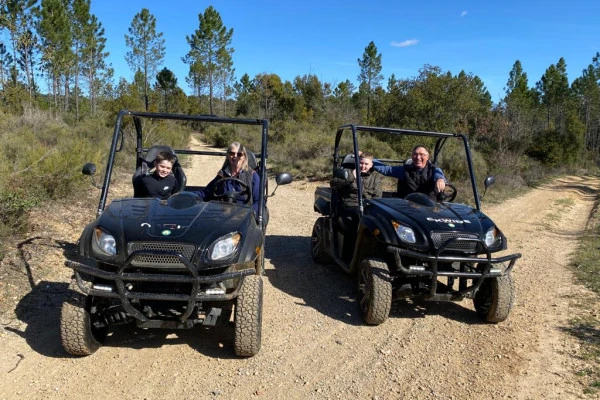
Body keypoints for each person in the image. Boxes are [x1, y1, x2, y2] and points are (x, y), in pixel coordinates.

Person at [330, 152, 382, 261]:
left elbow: (377, 196)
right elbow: (334, 184)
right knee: (356, 223)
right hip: (350, 205)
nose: (363, 166)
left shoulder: (375, 176)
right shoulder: (349, 173)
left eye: (366, 164)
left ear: (371, 165)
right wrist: (351, 177)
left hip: (368, 205)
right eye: (361, 163)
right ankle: (348, 259)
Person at [195, 142, 260, 213]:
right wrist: (192, 196)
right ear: (228, 156)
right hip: (223, 213)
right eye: (232, 153)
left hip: (244, 214)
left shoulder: (252, 175)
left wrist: (251, 214)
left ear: (244, 157)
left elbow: (258, 201)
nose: (235, 156)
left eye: (239, 154)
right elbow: (206, 192)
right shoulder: (222, 175)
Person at [373, 145, 446, 199]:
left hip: (429, 208)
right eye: (415, 154)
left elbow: (439, 174)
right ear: (411, 156)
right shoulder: (404, 170)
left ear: (427, 157)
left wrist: (440, 179)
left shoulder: (434, 170)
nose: (418, 157)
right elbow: (386, 169)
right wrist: (368, 160)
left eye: (421, 155)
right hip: (408, 207)